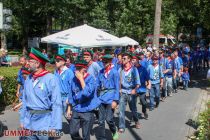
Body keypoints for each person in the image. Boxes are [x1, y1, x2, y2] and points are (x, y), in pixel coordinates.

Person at [20, 47, 62, 139]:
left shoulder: (51, 79)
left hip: (45, 123)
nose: (27, 63)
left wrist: (55, 127)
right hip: (29, 122)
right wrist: (22, 120)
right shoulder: (28, 79)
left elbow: (56, 104)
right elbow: (24, 102)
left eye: (30, 61)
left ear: (37, 63)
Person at [66, 59, 100, 140]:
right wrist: (69, 108)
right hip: (76, 108)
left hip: (87, 110)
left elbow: (87, 93)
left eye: (78, 68)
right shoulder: (73, 79)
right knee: (73, 132)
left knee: (86, 135)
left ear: (84, 69)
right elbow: (71, 94)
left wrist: (81, 79)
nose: (76, 71)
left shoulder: (91, 79)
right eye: (75, 68)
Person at [96, 52, 119, 140]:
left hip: (111, 98)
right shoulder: (101, 72)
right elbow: (97, 85)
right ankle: (102, 138)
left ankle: (114, 131)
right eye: (103, 61)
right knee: (101, 121)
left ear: (110, 61)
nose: (104, 63)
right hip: (101, 98)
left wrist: (115, 100)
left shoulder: (114, 72)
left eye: (105, 62)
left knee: (109, 119)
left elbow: (117, 87)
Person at [118, 53, 140, 133]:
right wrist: (119, 89)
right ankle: (121, 126)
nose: (122, 60)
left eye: (124, 58)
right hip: (123, 92)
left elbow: (138, 82)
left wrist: (135, 89)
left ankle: (136, 120)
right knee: (121, 110)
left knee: (133, 109)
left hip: (131, 91)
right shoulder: (120, 69)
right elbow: (118, 81)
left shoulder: (134, 69)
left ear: (129, 59)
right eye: (122, 58)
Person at [132, 54, 150, 119]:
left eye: (134, 60)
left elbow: (147, 78)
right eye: (132, 60)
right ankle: (135, 117)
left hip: (142, 88)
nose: (132, 61)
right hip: (134, 88)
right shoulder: (131, 69)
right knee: (133, 104)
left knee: (143, 102)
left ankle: (144, 111)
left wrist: (148, 83)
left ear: (137, 61)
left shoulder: (143, 68)